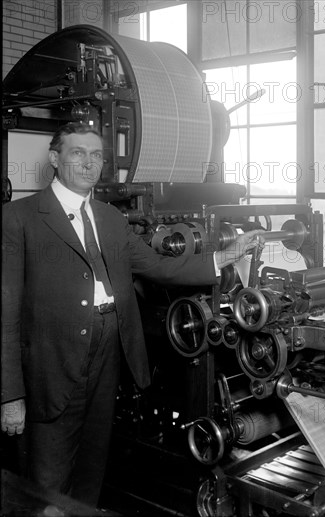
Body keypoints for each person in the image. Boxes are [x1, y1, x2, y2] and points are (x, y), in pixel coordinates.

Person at [0, 122, 264, 507]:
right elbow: (5, 315)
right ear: (55, 160)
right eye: (77, 153)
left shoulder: (109, 218)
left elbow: (157, 265)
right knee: (47, 480)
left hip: (109, 354)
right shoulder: (19, 218)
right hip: (50, 365)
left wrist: (224, 257)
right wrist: (10, 395)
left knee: (93, 467)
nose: (88, 164)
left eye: (96, 156)